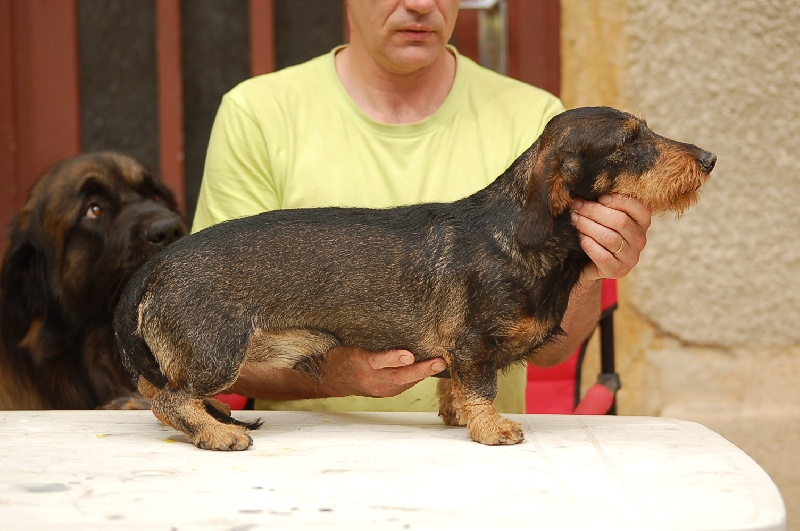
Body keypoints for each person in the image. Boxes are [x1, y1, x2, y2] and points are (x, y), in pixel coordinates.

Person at [192, 0, 651, 413]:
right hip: (309, 461)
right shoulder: (258, 115)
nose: (419, 5)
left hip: (480, 456)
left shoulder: (535, 122)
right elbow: (207, 336)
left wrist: (591, 271)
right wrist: (337, 375)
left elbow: (549, 350)